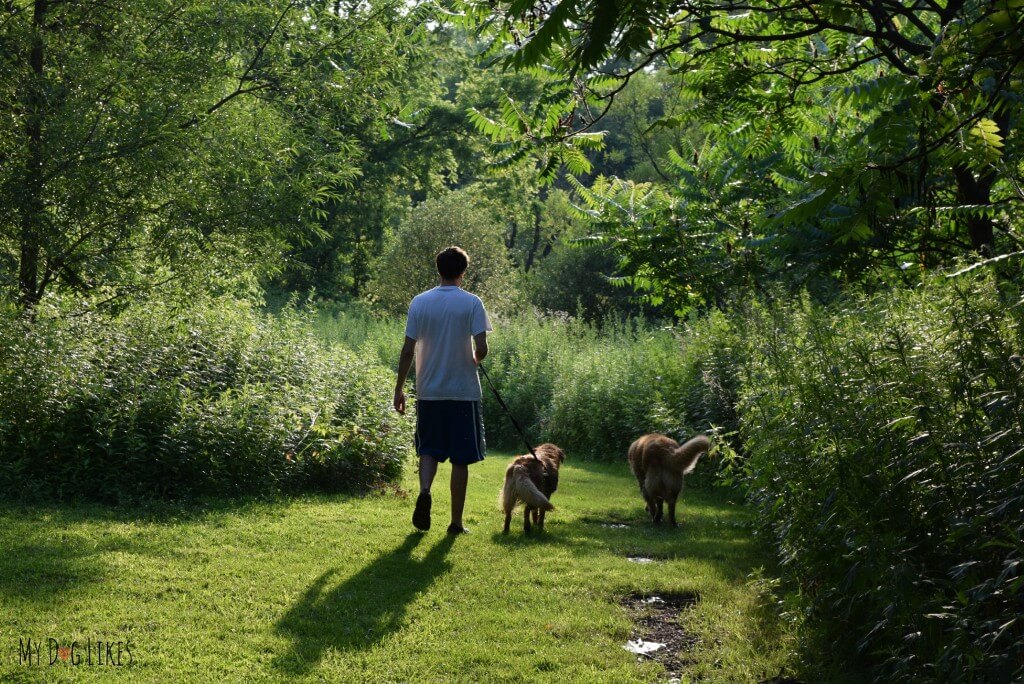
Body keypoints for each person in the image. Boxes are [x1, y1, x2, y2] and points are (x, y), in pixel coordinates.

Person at [393, 246, 492, 534]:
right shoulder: (472, 302)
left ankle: (425, 491)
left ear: (439, 270)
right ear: (463, 272)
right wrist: (476, 358)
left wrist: (399, 389)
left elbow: (407, 350)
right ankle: (456, 523)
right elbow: (482, 347)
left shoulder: (420, 302)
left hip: (429, 391)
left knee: (429, 449)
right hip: (463, 392)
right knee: (461, 458)